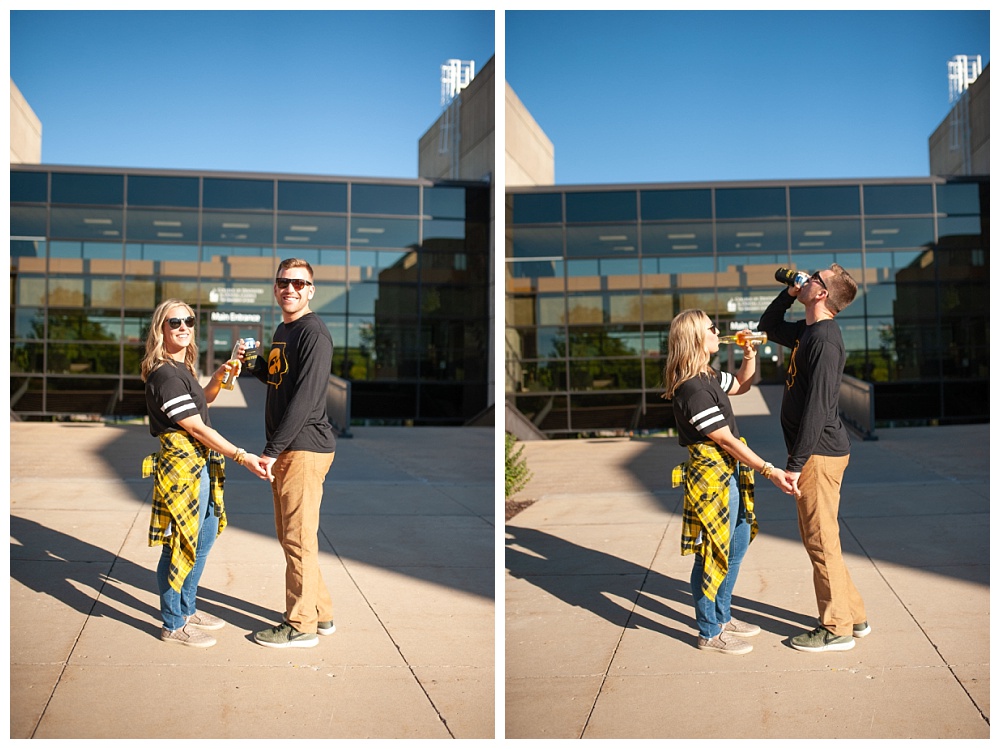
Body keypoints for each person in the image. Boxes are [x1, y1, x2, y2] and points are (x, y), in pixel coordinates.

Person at [664, 309, 796, 656]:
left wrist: (749, 356)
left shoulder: (707, 376)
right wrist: (769, 470)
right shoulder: (693, 389)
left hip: (731, 472)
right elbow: (726, 440)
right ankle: (709, 631)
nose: (718, 331)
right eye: (711, 328)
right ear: (695, 338)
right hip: (712, 477)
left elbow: (741, 384)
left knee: (735, 546)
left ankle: (722, 616)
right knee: (713, 553)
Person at [141, 299, 268, 648]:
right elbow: (196, 427)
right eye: (174, 322)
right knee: (181, 544)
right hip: (183, 470)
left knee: (203, 540)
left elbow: (203, 401)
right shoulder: (165, 374)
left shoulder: (182, 368)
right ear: (160, 330)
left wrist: (219, 376)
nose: (183, 326)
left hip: (201, 466)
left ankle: (187, 607)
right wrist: (241, 455)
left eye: (189, 320)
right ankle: (172, 623)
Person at [758, 264, 870, 652]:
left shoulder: (824, 340)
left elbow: (819, 409)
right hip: (816, 454)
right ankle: (853, 615)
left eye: (813, 279)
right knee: (826, 540)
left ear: (822, 293)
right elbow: (769, 325)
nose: (806, 280)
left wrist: (794, 464)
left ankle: (835, 628)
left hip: (819, 455)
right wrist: (789, 292)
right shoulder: (808, 332)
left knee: (820, 542)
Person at [246, 258, 338, 649]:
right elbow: (280, 378)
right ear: (276, 287)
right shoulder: (286, 329)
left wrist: (271, 450)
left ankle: (300, 626)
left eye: (299, 284)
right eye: (284, 282)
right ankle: (322, 613)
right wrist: (254, 362)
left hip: (303, 448)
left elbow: (304, 399)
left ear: (311, 290)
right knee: (293, 538)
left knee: (298, 540)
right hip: (290, 449)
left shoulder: (314, 332)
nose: (291, 289)